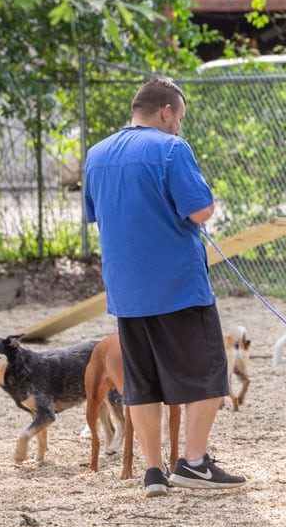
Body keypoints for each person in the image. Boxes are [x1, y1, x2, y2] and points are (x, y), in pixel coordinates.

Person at [83, 77, 246, 497]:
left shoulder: (96, 154)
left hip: (126, 289)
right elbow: (200, 210)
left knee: (142, 382)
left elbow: (99, 215)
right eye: (181, 119)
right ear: (167, 112)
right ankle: (193, 462)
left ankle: (153, 471)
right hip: (177, 285)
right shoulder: (172, 148)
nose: (180, 127)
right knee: (209, 372)